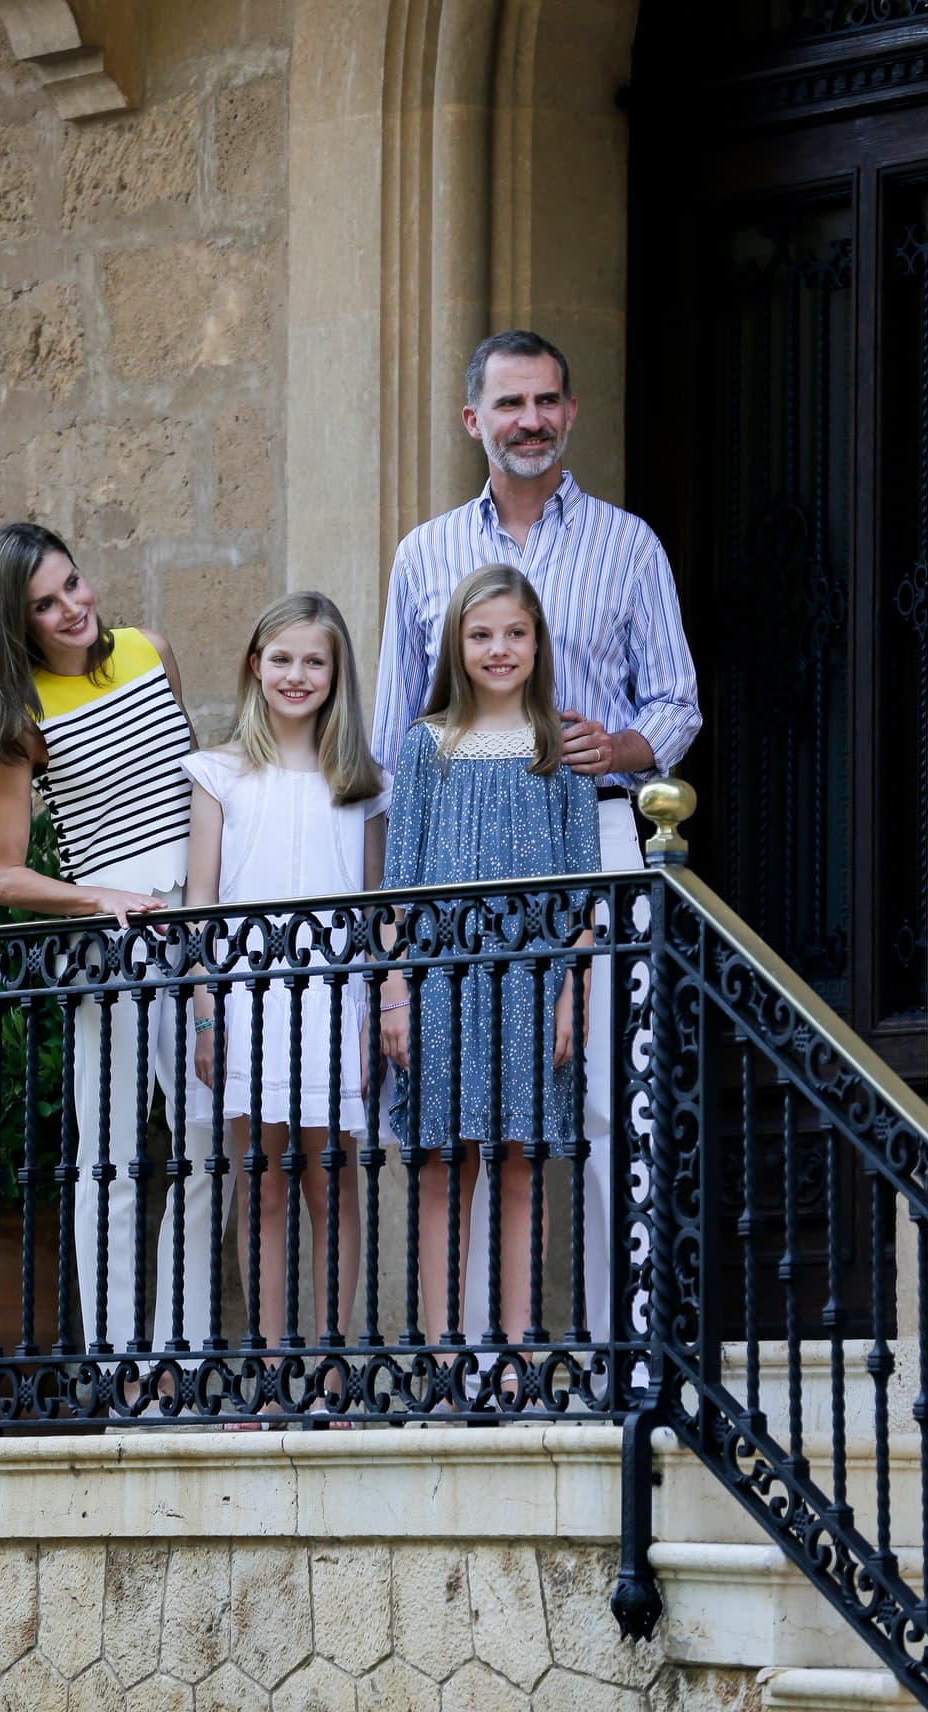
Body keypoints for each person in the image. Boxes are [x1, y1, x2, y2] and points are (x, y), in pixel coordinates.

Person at [371, 330, 701, 1341]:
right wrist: (385, 957)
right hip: (450, 864)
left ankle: (621, 1359)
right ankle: (464, 1364)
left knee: (599, 1105)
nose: (530, 420)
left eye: (546, 401)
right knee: (463, 1119)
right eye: (509, 403)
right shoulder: (424, 554)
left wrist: (622, 744)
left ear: (569, 412)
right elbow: (392, 748)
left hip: (591, 842)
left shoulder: (627, 543)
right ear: (473, 420)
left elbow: (678, 701)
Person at [0, 520, 223, 1357]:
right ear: (17, 622)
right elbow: (5, 876)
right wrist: (96, 893)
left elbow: (196, 787)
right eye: (45, 602)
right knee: (107, 1162)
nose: (73, 607)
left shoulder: (151, 648)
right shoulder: (21, 714)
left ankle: (180, 1358)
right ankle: (121, 1369)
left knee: (209, 1141)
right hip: (107, 943)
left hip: (198, 926)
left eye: (73, 583)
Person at [379, 565, 600, 1353]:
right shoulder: (424, 746)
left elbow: (585, 895)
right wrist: (395, 990)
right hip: (440, 983)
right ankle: (444, 1358)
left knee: (520, 1164)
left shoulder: (560, 747)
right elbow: (395, 890)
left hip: (533, 987)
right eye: (481, 635)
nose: (498, 649)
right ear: (456, 645)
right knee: (443, 1165)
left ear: (538, 642)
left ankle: (515, 1355)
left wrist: (573, 990)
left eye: (514, 633)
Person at [182, 592, 390, 1378]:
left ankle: (331, 1366)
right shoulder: (220, 773)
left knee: (332, 1189)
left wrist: (380, 1005)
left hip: (336, 1005)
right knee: (263, 1187)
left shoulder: (362, 782)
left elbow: (376, 910)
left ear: (337, 675)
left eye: (315, 661)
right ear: (254, 665)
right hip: (246, 1002)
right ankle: (270, 1373)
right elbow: (201, 901)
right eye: (282, 659)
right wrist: (205, 1008)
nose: (297, 675)